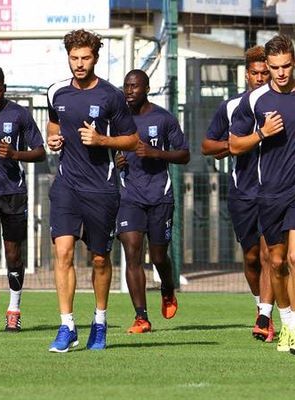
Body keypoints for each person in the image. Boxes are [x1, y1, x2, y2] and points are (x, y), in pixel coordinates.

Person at [229, 34, 295, 354]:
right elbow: (234, 144)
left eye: (286, 66)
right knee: (275, 263)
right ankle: (286, 319)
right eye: (274, 67)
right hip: (268, 193)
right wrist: (262, 133)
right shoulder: (255, 100)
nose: (280, 72)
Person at [46, 29, 138, 352]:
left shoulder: (111, 96)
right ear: (68, 57)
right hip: (67, 185)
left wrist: (102, 141)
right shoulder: (56, 92)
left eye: (85, 58)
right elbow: (54, 124)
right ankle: (66, 325)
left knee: (100, 259)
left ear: (95, 58)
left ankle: (99, 322)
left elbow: (132, 141)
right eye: (74, 58)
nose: (79, 64)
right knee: (63, 252)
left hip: (101, 188)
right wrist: (52, 139)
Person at [201, 46, 276, 342]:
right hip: (242, 192)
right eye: (255, 73)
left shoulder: (282, 104)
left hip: (275, 192)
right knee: (251, 257)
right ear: (246, 75)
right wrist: (236, 145)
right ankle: (260, 304)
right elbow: (208, 146)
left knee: (272, 254)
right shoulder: (232, 107)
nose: (260, 78)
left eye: (264, 73)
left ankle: (265, 316)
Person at [115, 69, 189, 334]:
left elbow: (184, 155)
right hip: (129, 197)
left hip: (160, 196)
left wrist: (155, 153)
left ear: (146, 88)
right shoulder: (117, 119)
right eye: (126, 86)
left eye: (134, 86)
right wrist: (116, 160)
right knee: (132, 250)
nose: (129, 91)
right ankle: (141, 317)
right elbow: (107, 147)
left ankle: (167, 288)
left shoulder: (164, 118)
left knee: (158, 256)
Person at [0, 65, 45, 332]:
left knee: (13, 255)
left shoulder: (19, 114)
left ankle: (14, 308)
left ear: (4, 87)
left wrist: (15, 155)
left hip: (13, 193)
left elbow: (40, 152)